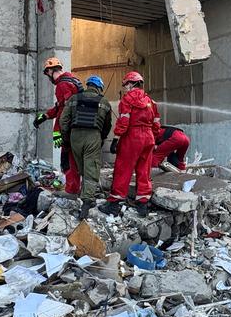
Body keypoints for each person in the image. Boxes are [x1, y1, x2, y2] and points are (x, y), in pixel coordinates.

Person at [101, 72, 162, 217]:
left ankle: (114, 204)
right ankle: (142, 204)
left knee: (123, 169)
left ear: (131, 83)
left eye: (126, 84)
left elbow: (124, 121)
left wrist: (116, 139)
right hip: (148, 138)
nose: (126, 87)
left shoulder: (127, 100)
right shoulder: (151, 101)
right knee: (144, 171)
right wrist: (154, 138)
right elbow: (156, 123)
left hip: (132, 137)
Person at [60, 75, 113, 216]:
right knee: (91, 168)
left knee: (82, 167)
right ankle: (87, 201)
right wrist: (101, 138)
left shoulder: (73, 99)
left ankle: (85, 193)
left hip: (75, 136)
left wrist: (66, 139)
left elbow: (63, 120)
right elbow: (107, 125)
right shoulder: (104, 102)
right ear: (99, 87)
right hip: (93, 136)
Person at [34, 57, 83, 195]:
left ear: (50, 70)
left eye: (47, 72)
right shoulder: (72, 81)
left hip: (69, 129)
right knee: (72, 159)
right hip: (76, 126)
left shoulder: (62, 85)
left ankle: (71, 190)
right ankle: (74, 188)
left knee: (68, 159)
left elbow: (64, 111)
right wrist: (44, 117)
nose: (48, 76)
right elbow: (60, 107)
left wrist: (57, 132)